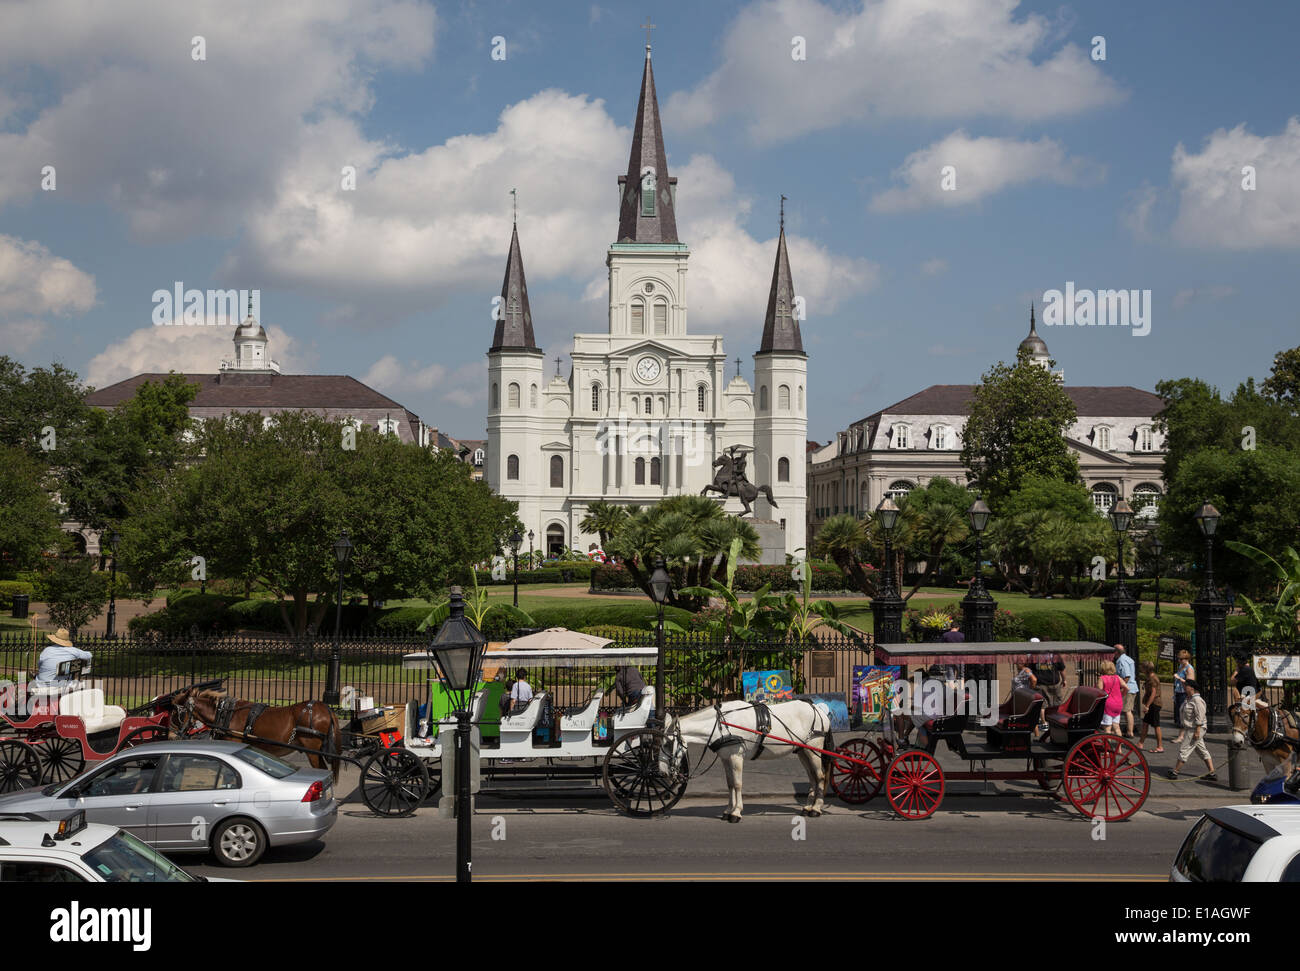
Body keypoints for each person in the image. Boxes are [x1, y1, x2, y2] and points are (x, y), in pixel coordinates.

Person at [1171, 680, 1216, 781]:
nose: (1184, 687)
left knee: (1185, 749)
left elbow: (1200, 715)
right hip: (1191, 728)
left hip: (1195, 728)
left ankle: (1175, 772)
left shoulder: (1197, 700)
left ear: (1191, 687)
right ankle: (1212, 773)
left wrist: (1197, 730)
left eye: (1186, 685)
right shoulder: (1189, 699)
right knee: (1201, 750)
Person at [1031, 651, 1067, 737]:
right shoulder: (1055, 656)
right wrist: (1064, 679)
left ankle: (1044, 723)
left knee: (1042, 704)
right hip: (1053, 682)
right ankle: (1056, 721)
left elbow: (1031, 669)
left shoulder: (1035, 656)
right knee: (1056, 704)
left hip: (1040, 683)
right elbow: (1062, 669)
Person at [1139, 661, 1164, 753]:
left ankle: (1160, 746)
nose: (1141, 669)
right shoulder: (1150, 677)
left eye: (1142, 667)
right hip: (1152, 704)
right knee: (1145, 723)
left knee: (1156, 725)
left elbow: (1153, 693)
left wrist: (1147, 706)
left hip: (1154, 704)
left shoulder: (1152, 679)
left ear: (1146, 669)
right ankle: (1140, 743)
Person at [1114, 644, 1139, 738]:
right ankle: (1129, 731)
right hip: (1132, 688)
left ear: (1116, 652)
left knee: (1127, 710)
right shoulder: (1128, 659)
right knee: (1128, 710)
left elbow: (1127, 676)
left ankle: (1130, 732)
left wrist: (1121, 687)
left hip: (1127, 689)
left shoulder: (1121, 660)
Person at [1097, 660, 1125, 735]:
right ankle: (1119, 746)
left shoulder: (1102, 678)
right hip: (1118, 703)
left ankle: (1107, 746)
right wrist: (1121, 694)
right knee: (1116, 726)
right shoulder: (1117, 677)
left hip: (1108, 704)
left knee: (1107, 728)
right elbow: (1127, 688)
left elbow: (1099, 692)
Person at [1174, 651, 1195, 742]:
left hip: (1184, 693)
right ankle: (1183, 735)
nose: (1179, 660)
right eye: (1179, 658)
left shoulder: (1189, 669)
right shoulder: (1180, 667)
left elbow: (1190, 683)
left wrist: (1179, 678)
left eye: (1181, 659)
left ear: (1187, 659)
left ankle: (1181, 736)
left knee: (1184, 714)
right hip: (1178, 692)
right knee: (1180, 713)